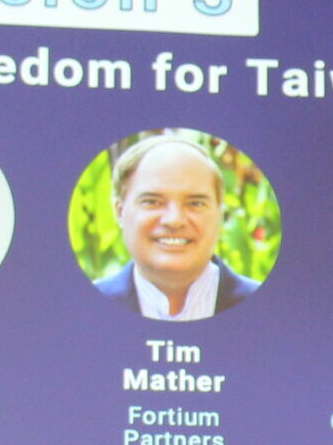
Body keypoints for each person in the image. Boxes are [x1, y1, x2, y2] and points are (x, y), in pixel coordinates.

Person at [91, 135, 259, 319]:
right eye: (152, 202)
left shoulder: (271, 310)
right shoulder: (82, 309)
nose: (174, 220)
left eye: (195, 203)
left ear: (220, 214)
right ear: (120, 211)